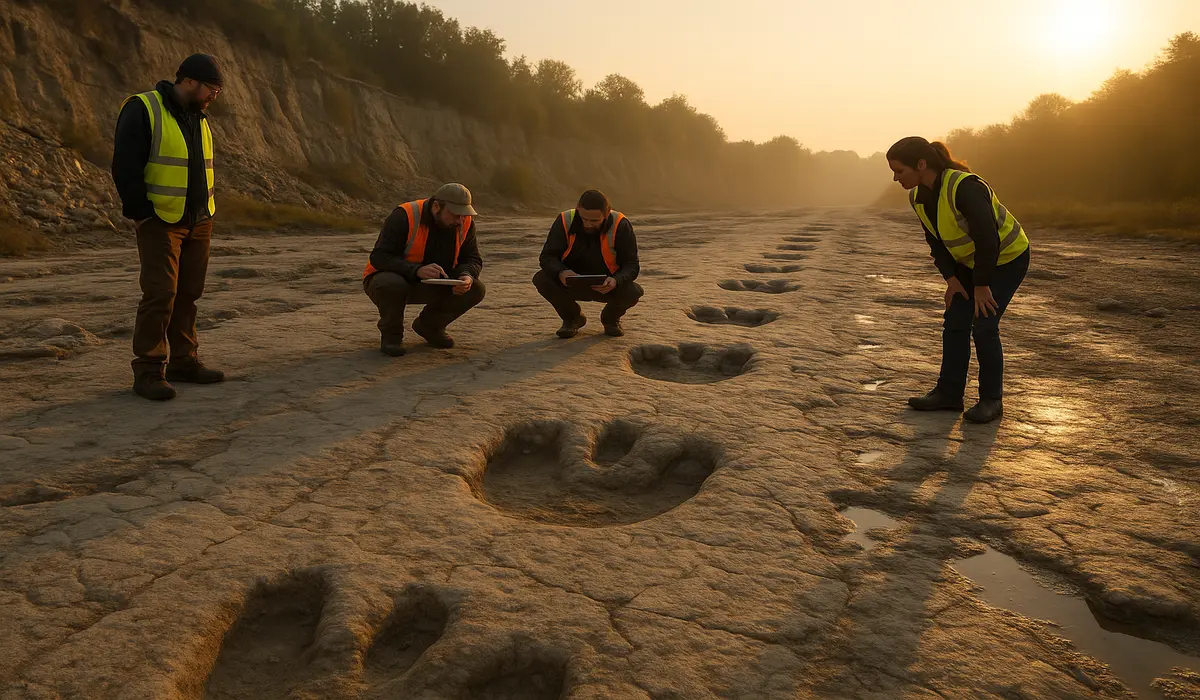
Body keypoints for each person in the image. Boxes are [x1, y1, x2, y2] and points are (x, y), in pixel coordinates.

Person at [886, 136, 1031, 424]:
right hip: (971, 263)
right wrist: (952, 279)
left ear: (921, 164)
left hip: (1006, 259)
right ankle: (949, 394)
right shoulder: (918, 197)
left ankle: (991, 401)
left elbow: (988, 238)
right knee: (955, 320)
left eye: (899, 171)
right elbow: (936, 241)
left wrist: (981, 285)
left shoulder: (965, 187)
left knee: (984, 324)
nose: (895, 178)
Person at [112, 54, 226, 401]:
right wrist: (141, 213)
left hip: (199, 219)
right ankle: (148, 369)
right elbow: (125, 165)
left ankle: (183, 361)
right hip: (160, 220)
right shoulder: (143, 108)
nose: (214, 96)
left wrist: (206, 214)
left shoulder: (199, 118)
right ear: (189, 81)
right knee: (161, 294)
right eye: (212, 89)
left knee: (188, 294)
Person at [362, 183, 486, 356]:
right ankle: (392, 337)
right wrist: (416, 270)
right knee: (391, 283)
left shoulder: (464, 222)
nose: (460, 220)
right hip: (391, 281)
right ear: (436, 207)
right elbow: (379, 257)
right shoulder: (404, 216)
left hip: (435, 282)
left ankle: (429, 326)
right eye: (455, 214)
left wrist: (467, 275)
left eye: (463, 215)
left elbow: (472, 258)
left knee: (476, 289)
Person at [533, 189, 643, 338]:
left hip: (607, 285)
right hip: (570, 283)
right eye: (584, 218)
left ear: (607, 213)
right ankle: (573, 318)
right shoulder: (565, 220)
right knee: (541, 279)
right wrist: (561, 272)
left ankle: (610, 320)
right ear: (578, 208)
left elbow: (632, 265)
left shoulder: (620, 224)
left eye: (594, 221)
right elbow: (547, 256)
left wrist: (616, 280)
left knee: (633, 292)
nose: (588, 224)